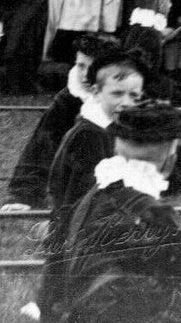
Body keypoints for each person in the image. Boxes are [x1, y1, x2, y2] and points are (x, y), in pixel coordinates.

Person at [49, 102, 181, 323]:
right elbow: (171, 299)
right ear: (170, 162)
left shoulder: (90, 197)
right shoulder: (148, 216)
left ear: (115, 149)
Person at [39, 46, 148, 317]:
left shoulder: (111, 128)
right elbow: (82, 190)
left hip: (93, 218)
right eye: (117, 93)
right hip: (77, 219)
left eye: (134, 96)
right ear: (97, 93)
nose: (126, 102)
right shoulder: (88, 134)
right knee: (70, 274)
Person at [1, 35, 117, 210]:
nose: (85, 75)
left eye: (93, 68)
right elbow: (40, 147)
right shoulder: (69, 98)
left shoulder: (126, 95)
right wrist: (24, 196)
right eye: (80, 66)